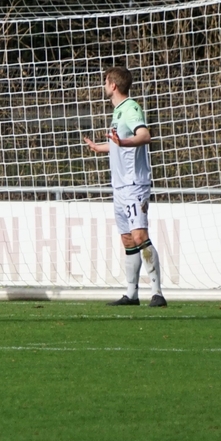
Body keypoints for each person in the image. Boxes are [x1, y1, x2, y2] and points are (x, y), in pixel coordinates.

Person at [83, 66, 166, 308]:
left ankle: (157, 293)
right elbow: (120, 143)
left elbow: (144, 136)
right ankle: (131, 294)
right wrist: (101, 147)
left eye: (105, 81)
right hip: (119, 186)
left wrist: (124, 142)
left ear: (113, 85)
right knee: (128, 240)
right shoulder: (118, 112)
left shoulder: (130, 108)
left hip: (134, 184)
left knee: (140, 236)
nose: (103, 85)